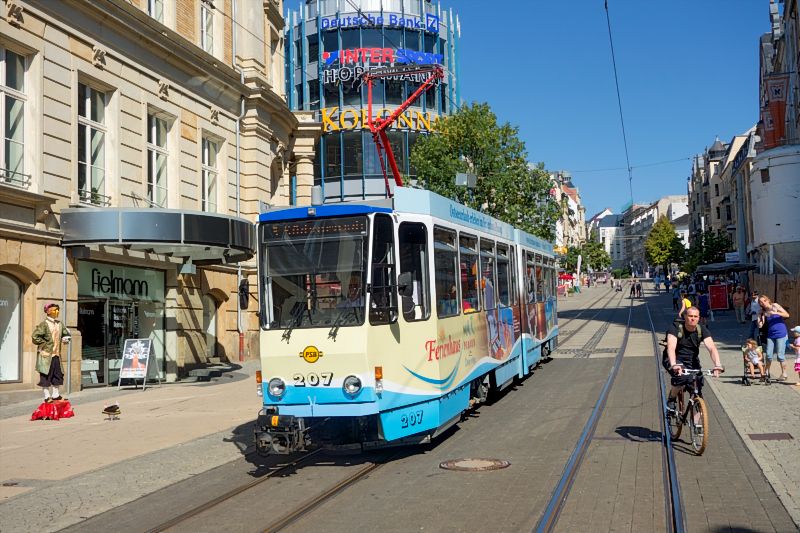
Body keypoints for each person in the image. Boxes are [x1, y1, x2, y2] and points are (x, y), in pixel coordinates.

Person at [665, 307, 724, 415]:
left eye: (695, 316)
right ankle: (672, 399)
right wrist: (674, 364)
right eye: (690, 316)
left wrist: (718, 365)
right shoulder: (675, 328)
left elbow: (711, 347)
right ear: (685, 317)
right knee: (681, 377)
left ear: (699, 318)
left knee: (697, 385)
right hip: (674, 358)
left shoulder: (701, 329)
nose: (693, 319)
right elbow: (671, 347)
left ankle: (698, 423)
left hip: (692, 360)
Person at [31, 303, 71, 403]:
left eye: (57, 310)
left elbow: (66, 334)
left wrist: (66, 338)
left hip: (56, 354)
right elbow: (35, 337)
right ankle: (46, 396)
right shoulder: (44, 324)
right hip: (46, 355)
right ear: (48, 311)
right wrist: (45, 344)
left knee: (57, 374)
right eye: (54, 310)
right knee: (45, 375)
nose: (56, 312)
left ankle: (56, 395)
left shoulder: (59, 324)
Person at [756, 294, 791, 381]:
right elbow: (760, 325)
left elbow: (787, 315)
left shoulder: (775, 306)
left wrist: (775, 312)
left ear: (768, 300)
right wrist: (758, 317)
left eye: (764, 301)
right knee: (768, 355)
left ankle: (784, 374)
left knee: (780, 355)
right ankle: (766, 373)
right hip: (771, 334)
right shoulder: (763, 312)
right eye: (760, 302)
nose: (763, 303)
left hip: (781, 333)